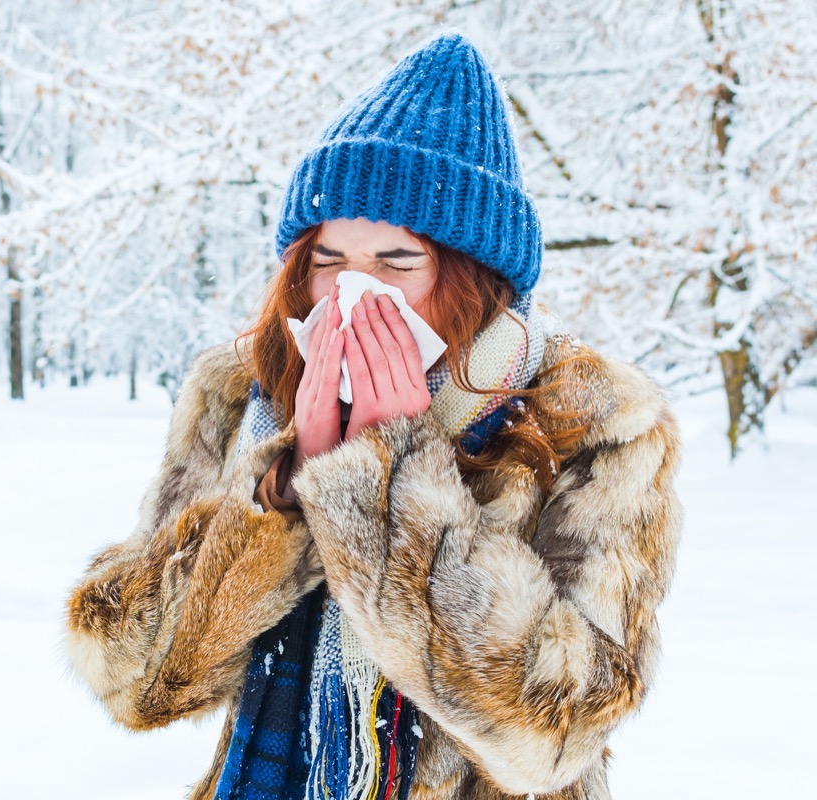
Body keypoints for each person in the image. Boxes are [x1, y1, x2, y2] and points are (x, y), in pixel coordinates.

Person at [64, 33, 681, 800]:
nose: (356, 295)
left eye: (396, 263)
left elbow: (554, 733)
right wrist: (284, 494)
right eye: (329, 260)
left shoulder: (589, 420)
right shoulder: (245, 395)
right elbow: (135, 678)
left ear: (473, 277)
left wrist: (392, 469)